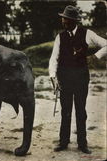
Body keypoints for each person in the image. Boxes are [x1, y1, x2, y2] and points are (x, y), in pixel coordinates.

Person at [49, 5, 107, 154]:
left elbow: (106, 44)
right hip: (64, 79)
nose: (63, 21)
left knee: (81, 111)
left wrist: (95, 57)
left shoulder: (87, 33)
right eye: (63, 18)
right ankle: (63, 141)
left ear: (73, 21)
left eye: (66, 19)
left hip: (81, 79)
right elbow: (53, 59)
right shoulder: (60, 37)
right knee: (66, 111)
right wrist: (53, 77)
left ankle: (82, 143)